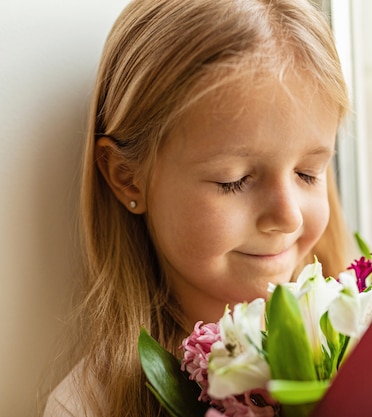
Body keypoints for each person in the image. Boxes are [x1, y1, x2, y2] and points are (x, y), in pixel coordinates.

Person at [41, 0, 353, 416]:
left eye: (308, 173)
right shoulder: (92, 405)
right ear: (127, 177)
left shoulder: (360, 336)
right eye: (234, 180)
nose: (289, 216)